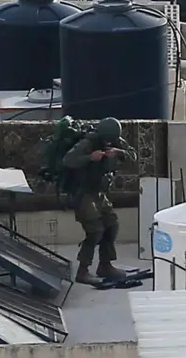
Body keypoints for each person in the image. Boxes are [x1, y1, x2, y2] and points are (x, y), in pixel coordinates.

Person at [62, 117, 138, 284]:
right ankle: (83, 271)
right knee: (95, 230)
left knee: (111, 225)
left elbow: (133, 155)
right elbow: (68, 160)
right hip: (82, 193)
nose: (108, 142)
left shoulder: (116, 140)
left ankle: (105, 265)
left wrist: (119, 152)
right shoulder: (87, 143)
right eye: (106, 140)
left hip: (99, 192)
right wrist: (90, 157)